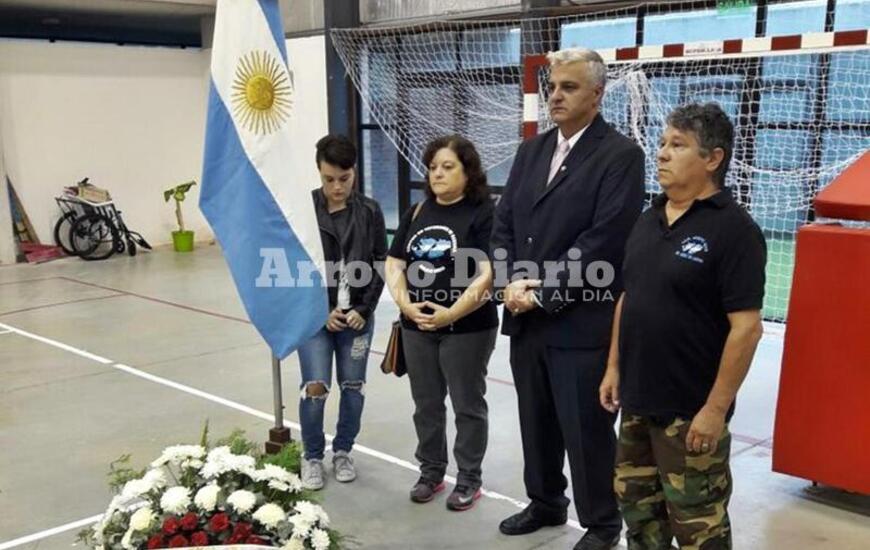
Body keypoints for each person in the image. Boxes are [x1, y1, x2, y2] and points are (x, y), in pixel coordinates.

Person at [491, 48, 645, 550]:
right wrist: (509, 283)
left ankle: (601, 524)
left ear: (597, 94)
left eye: (569, 87)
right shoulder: (531, 150)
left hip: (580, 321)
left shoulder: (620, 155)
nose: (555, 95)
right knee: (535, 422)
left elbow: (603, 239)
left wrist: (542, 294)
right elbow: (505, 223)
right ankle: (545, 502)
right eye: (552, 87)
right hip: (525, 317)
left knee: (585, 431)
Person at [599, 102, 766, 550]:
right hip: (637, 403)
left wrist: (714, 409)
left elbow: (747, 329)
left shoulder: (735, 231)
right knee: (640, 517)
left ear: (713, 159)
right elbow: (628, 298)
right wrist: (614, 367)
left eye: (678, 145)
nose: (662, 154)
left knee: (699, 529)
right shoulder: (646, 220)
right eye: (662, 144)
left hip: (690, 413)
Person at [384, 135, 498, 512]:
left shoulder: (482, 212)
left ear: (468, 172)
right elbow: (394, 263)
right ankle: (431, 471)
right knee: (426, 403)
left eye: (448, 167)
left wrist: (451, 313)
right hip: (417, 327)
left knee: (467, 404)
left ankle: (468, 479)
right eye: (433, 167)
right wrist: (406, 306)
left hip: (467, 328)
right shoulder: (418, 212)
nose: (438, 174)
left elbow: (487, 273)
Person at [298, 134, 387, 490]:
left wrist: (363, 309)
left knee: (353, 386)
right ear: (319, 173)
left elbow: (381, 263)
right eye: (328, 179)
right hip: (315, 320)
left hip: (357, 319)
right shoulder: (305, 210)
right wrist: (321, 311)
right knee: (315, 387)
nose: (337, 187)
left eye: (344, 179)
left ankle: (343, 451)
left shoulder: (370, 211)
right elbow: (295, 266)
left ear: (354, 173)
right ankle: (312, 456)